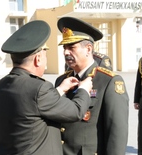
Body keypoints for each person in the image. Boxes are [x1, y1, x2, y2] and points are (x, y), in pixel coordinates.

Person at [0, 20, 94, 155]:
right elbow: (76, 111)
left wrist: (60, 90)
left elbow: (30, 106)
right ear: (38, 59)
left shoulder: (1, 85)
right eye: (45, 55)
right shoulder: (39, 88)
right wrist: (84, 89)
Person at [55, 17, 129, 155]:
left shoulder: (109, 81)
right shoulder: (62, 80)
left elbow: (116, 133)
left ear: (88, 49)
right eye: (64, 48)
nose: (66, 52)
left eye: (71, 47)